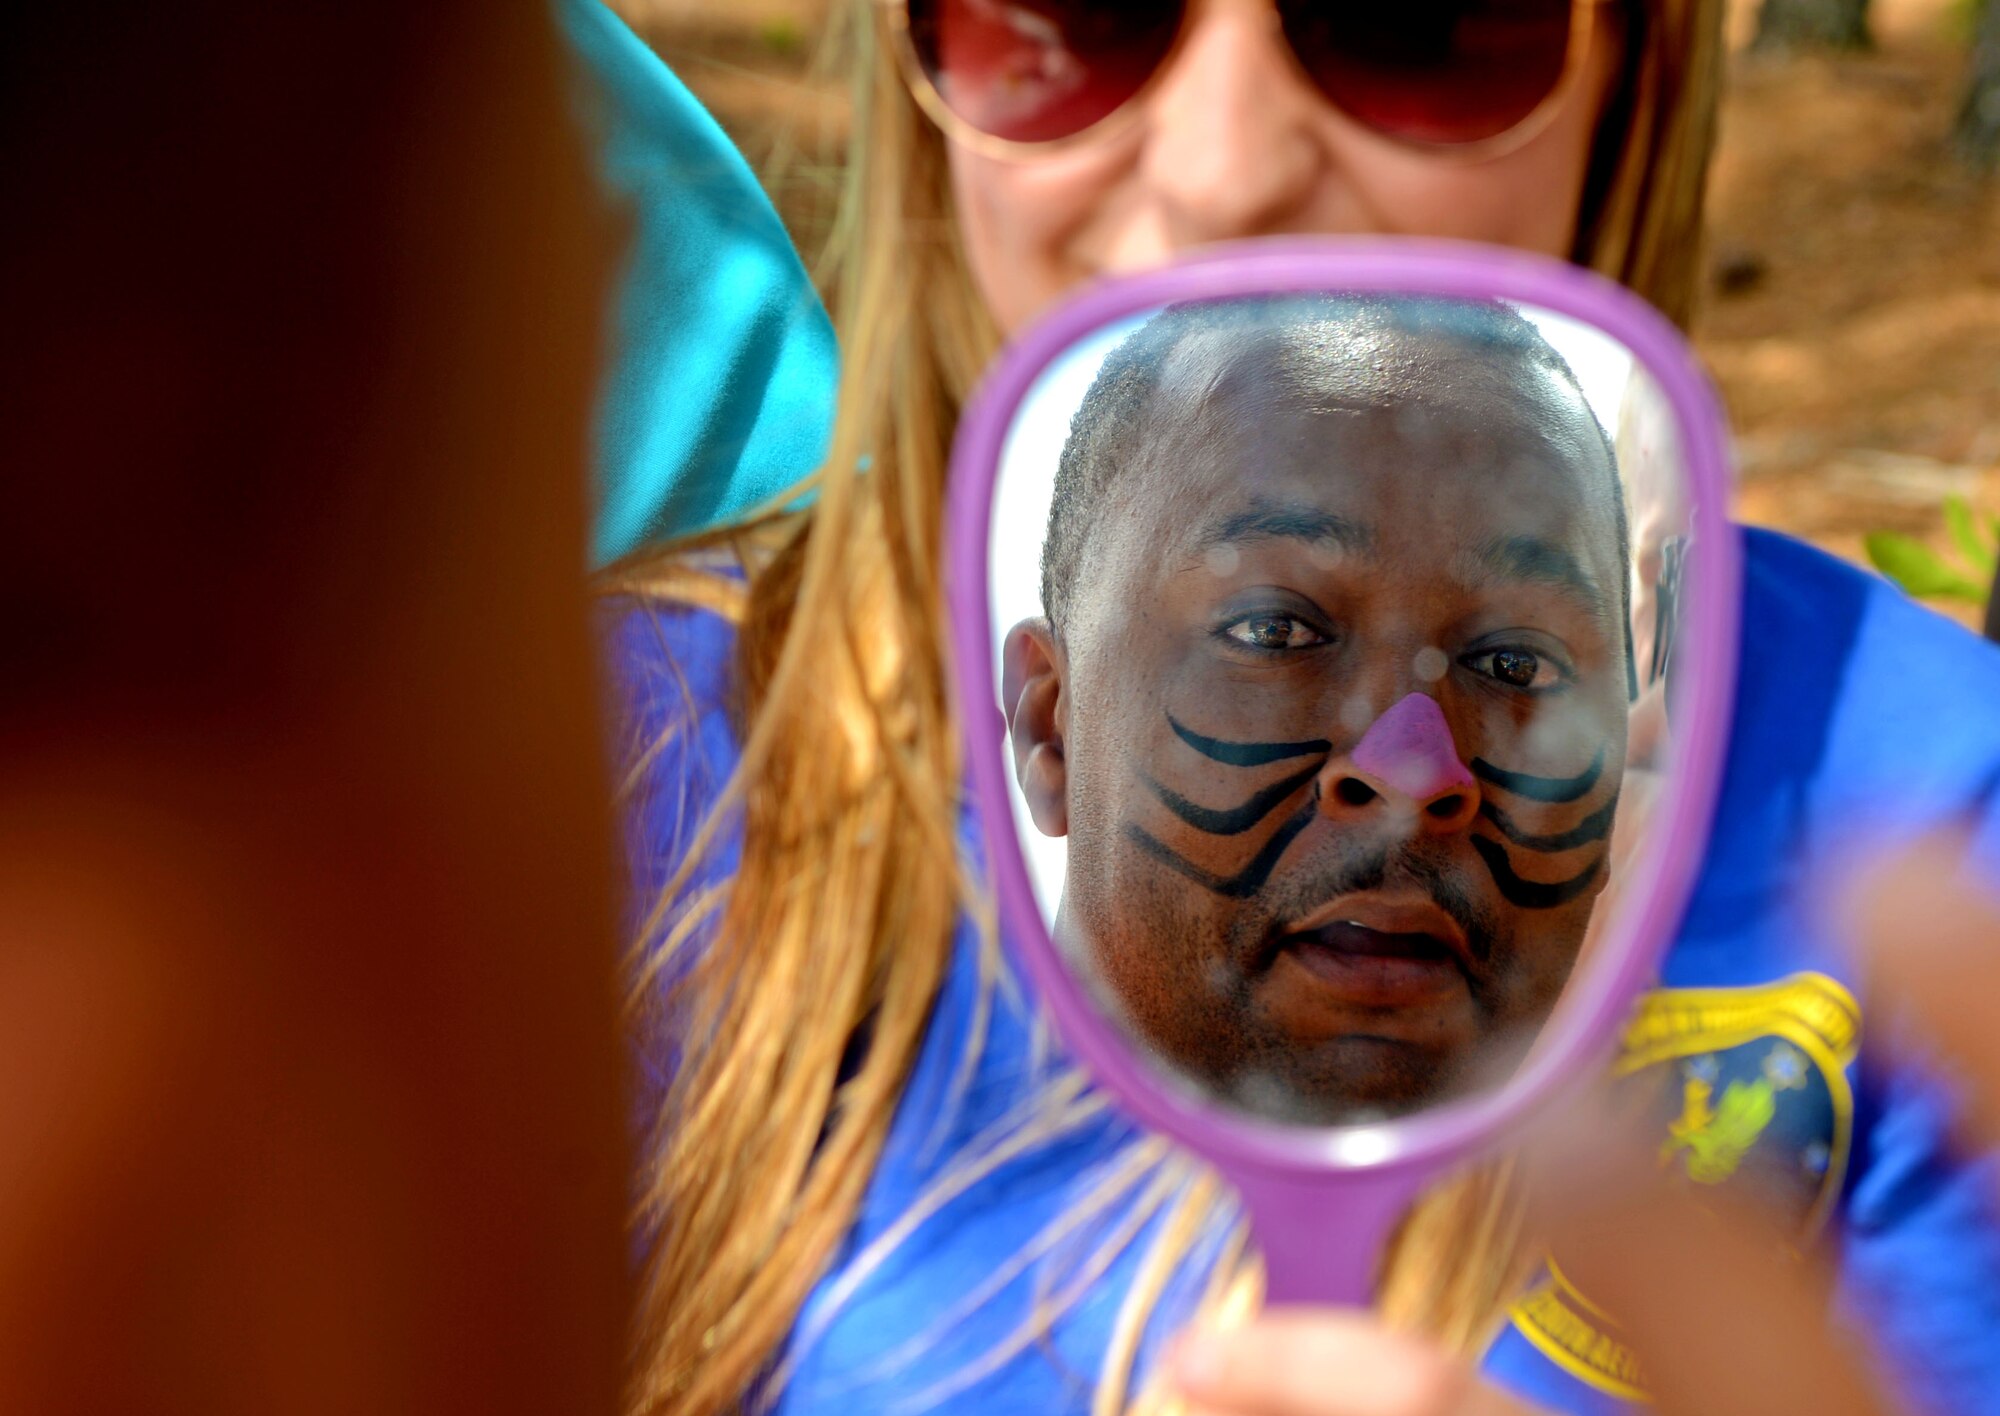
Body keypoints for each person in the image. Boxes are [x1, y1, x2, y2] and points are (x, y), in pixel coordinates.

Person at [563, 0, 2000, 1412]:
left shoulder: (1943, 826)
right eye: (1073, 20)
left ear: (1632, 80)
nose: (1222, 170)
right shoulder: (606, 775)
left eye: (1409, 31)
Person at [1006, 296, 1632, 1124]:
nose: (1414, 774)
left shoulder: (1722, 1231)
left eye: (1515, 664)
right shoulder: (832, 1220)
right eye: (1273, 631)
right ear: (1053, 728)